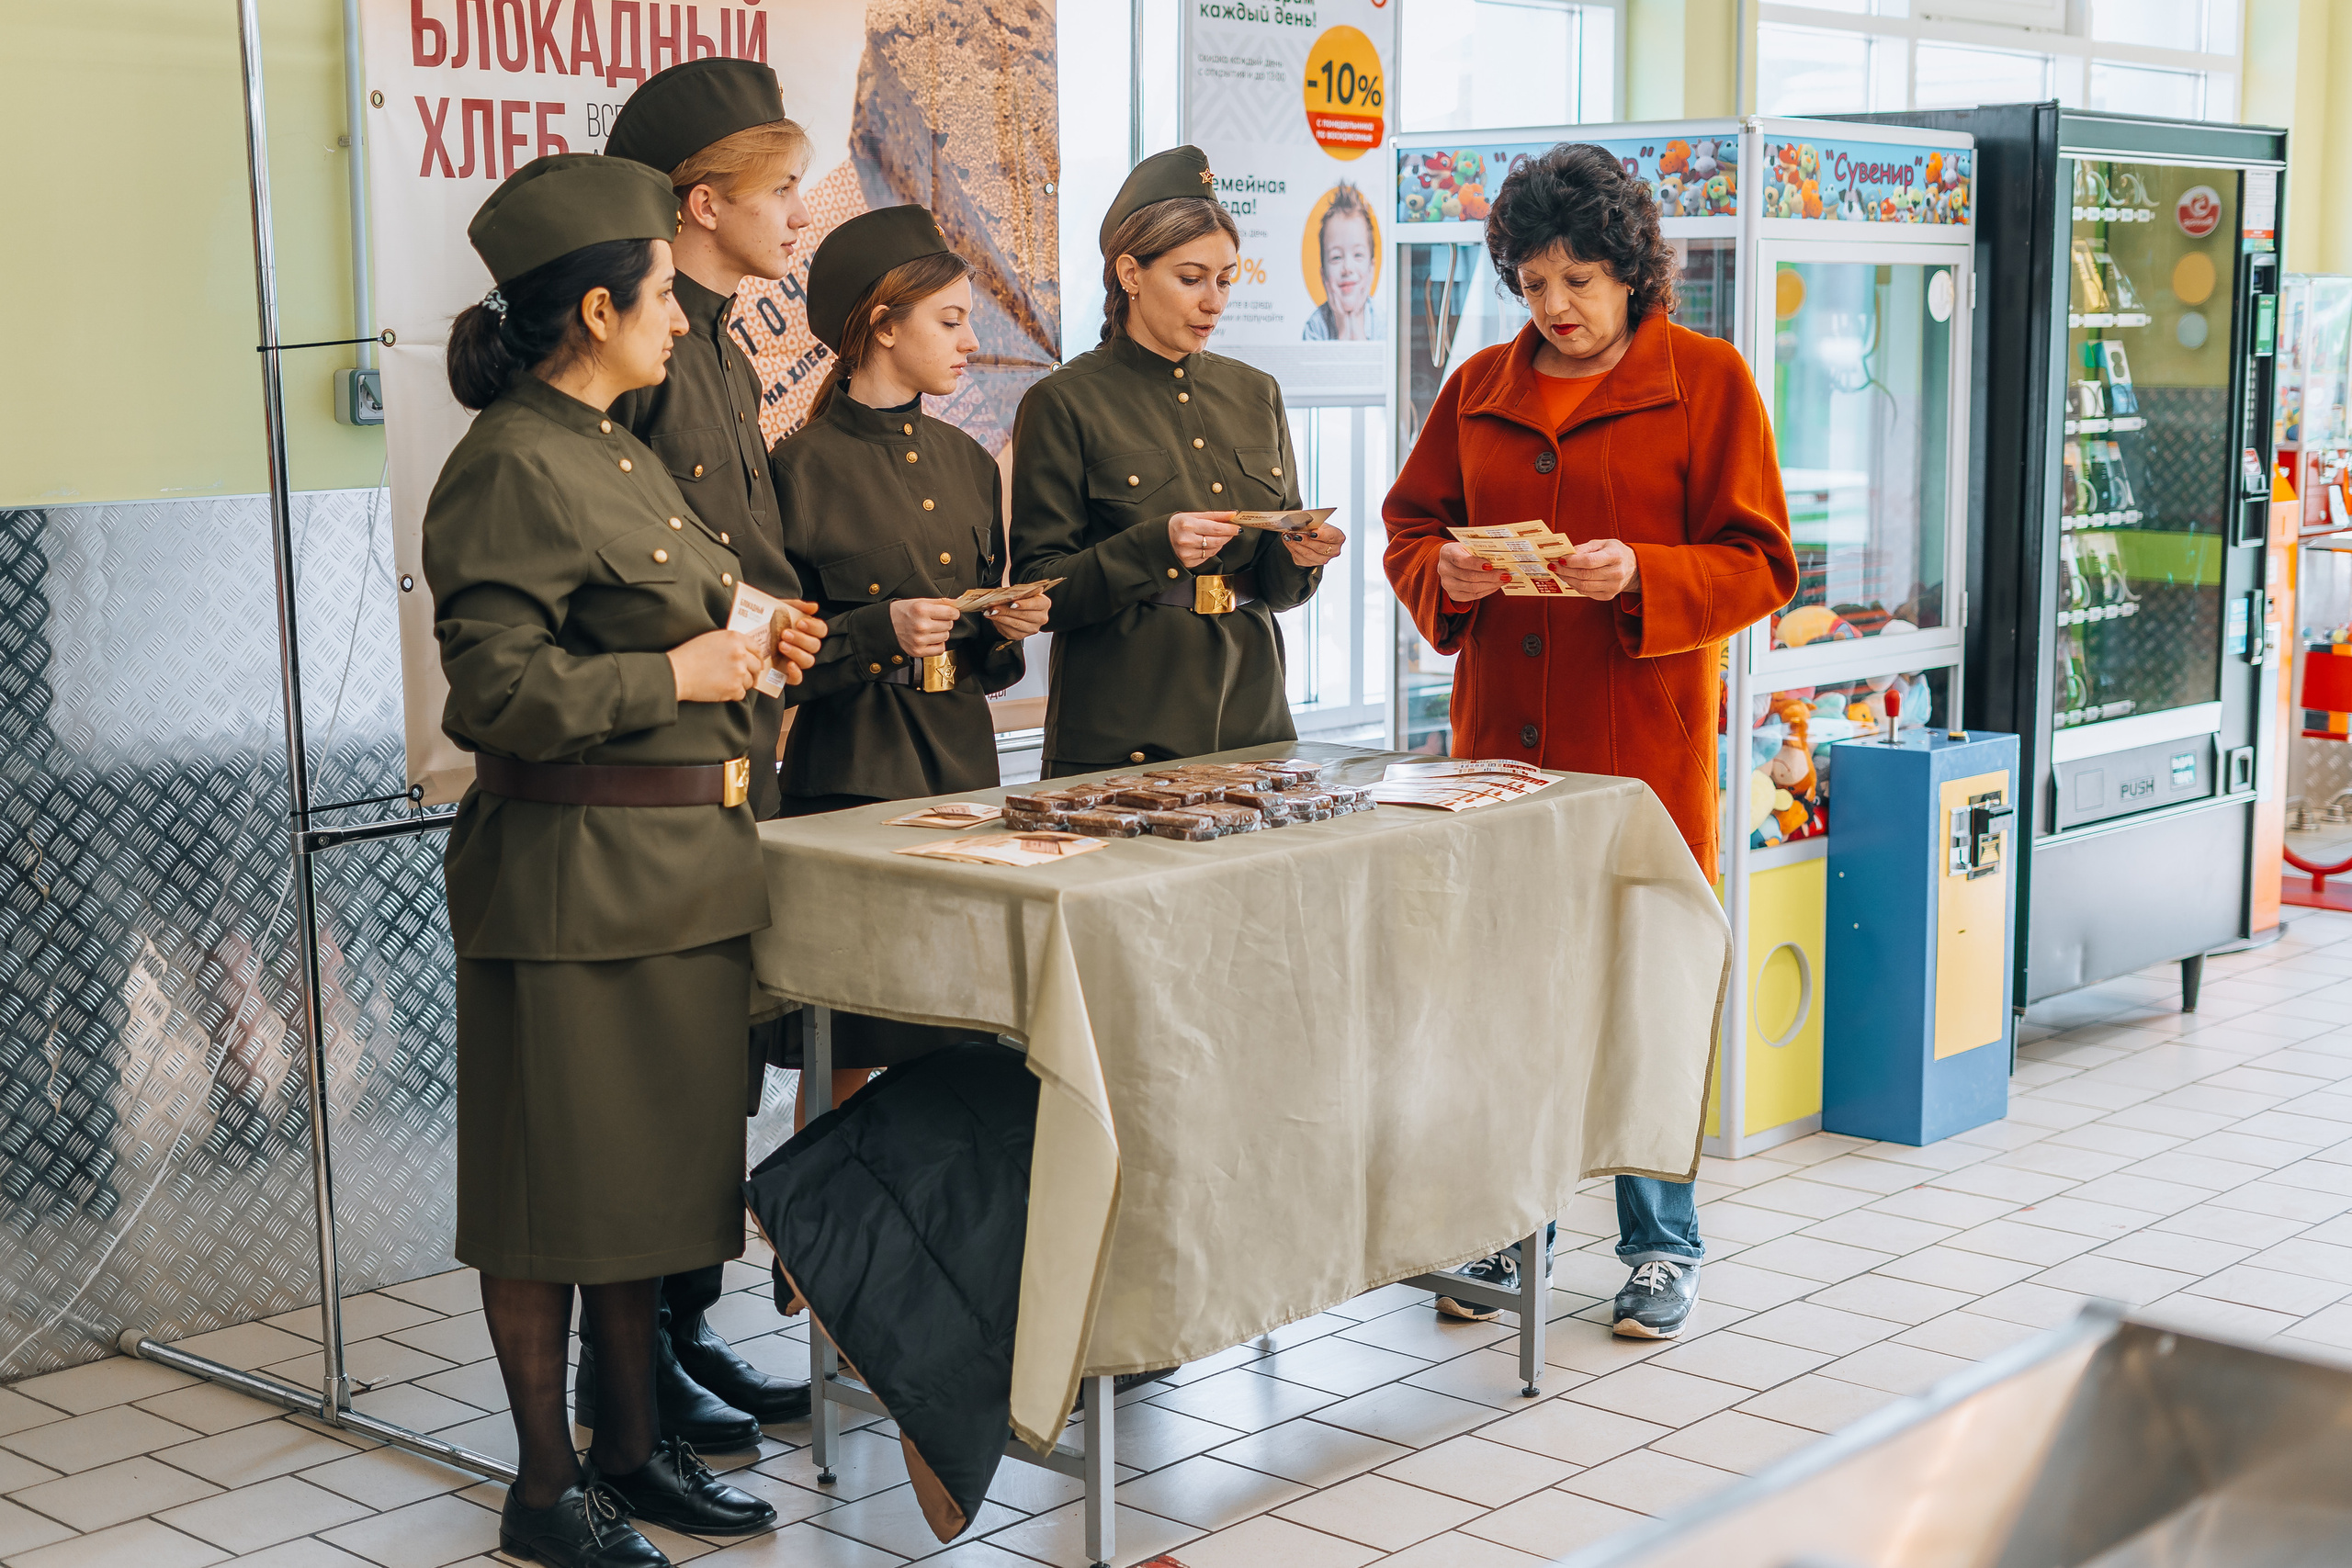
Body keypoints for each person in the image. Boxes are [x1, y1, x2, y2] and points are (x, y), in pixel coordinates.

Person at [424, 153, 824, 1566]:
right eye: (659, 293)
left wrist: (756, 639)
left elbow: (676, 617)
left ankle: (635, 1449)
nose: (679, 316)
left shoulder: (615, 448)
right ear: (596, 309)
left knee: (651, 1190)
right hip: (574, 884)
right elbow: (496, 693)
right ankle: (546, 1487)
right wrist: (679, 671)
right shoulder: (509, 462)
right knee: (554, 1198)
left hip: (678, 870)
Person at [1382, 142, 1798, 1340]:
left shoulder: (1707, 381)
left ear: (1629, 271)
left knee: (1645, 994)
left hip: (1639, 756)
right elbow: (1411, 527)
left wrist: (1645, 573)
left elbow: (1763, 562)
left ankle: (1662, 1244)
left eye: (1577, 280)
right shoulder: (1477, 386)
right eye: (1532, 283)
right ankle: (1507, 1223)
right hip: (1499, 756)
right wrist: (1445, 570)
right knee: (1507, 989)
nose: (1555, 306)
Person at [589, 57, 817, 1449]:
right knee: (665, 1077)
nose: (798, 214)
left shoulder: (722, 347)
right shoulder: (650, 364)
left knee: (716, 1066)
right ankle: (637, 1361)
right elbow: (630, 567)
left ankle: (682, 1330)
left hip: (736, 741)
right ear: (701, 202)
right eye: (780, 189)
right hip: (660, 754)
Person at [768, 205, 1048, 1069]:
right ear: (884, 327)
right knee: (850, 1036)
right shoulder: (796, 470)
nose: (971, 342)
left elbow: (987, 663)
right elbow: (776, 663)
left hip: (963, 775)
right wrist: (876, 631)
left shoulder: (969, 462)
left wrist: (1003, 628)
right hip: (851, 782)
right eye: (951, 321)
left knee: (961, 1028)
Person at [1011, 145, 1344, 776]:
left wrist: (1300, 557)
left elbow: (1277, 588)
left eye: (1225, 280)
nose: (1213, 301)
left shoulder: (1257, 392)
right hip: (1126, 722)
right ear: (1130, 274)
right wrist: (1154, 547)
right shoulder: (1063, 402)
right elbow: (1040, 589)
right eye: (1191, 279)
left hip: (1254, 717)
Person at [1301, 183, 1379, 342]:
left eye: (1358, 255)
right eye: (1336, 257)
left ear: (1371, 269)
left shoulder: (1382, 321)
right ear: (1323, 275)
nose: (1347, 268)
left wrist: (1356, 328)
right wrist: (1343, 327)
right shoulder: (1315, 327)